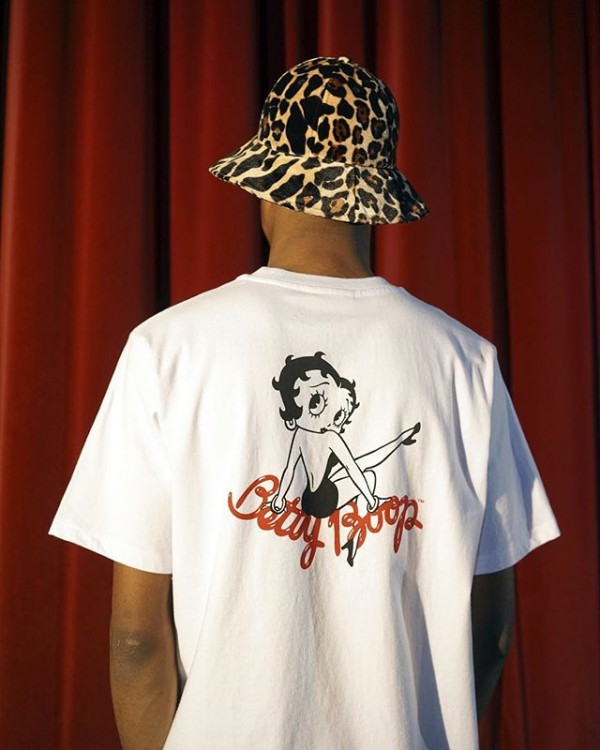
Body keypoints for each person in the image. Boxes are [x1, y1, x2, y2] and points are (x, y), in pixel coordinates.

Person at [49, 55, 560, 749]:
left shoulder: (166, 350)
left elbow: (138, 640)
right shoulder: (464, 363)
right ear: (376, 199)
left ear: (268, 185)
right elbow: (491, 632)